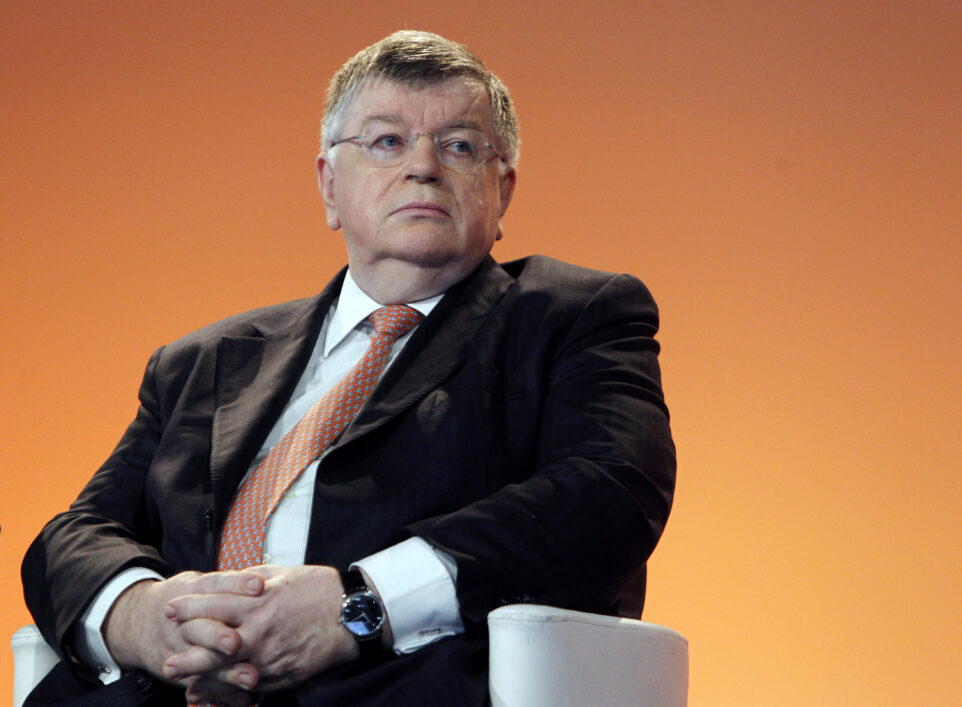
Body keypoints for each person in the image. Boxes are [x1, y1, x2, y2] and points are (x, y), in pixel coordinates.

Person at [22, 30, 675, 706]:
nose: (423, 166)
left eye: (458, 145)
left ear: (501, 191)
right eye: (387, 141)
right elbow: (74, 536)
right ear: (329, 185)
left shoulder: (571, 316)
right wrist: (143, 618)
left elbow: (608, 496)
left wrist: (359, 604)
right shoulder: (201, 362)